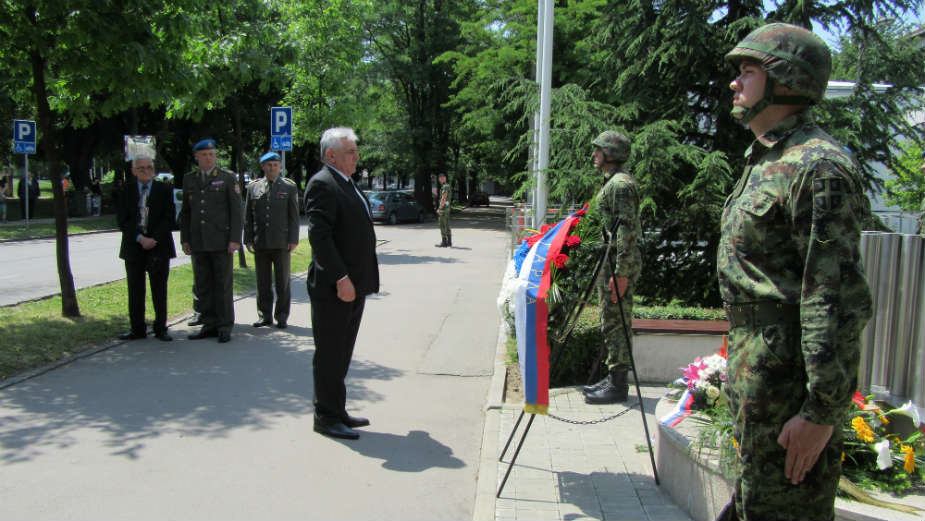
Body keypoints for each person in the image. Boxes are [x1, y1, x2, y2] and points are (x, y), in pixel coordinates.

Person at [718, 23, 873, 521]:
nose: (734, 84)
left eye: (747, 71)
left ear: (785, 78)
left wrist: (820, 412)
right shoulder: (767, 160)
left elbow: (834, 297)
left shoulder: (817, 167)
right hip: (758, 375)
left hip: (787, 387)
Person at [304, 127, 379, 440]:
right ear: (330, 155)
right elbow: (320, 238)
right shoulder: (322, 184)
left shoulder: (346, 183)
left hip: (354, 286)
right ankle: (326, 416)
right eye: (351, 152)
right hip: (336, 287)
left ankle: (337, 410)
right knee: (330, 354)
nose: (357, 157)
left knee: (342, 352)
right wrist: (341, 278)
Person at [581, 130, 642, 405]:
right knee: (609, 319)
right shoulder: (612, 183)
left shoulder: (621, 186)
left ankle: (619, 385)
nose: (595, 154)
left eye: (599, 150)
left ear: (611, 153)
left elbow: (627, 232)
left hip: (619, 262)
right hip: (611, 259)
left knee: (617, 321)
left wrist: (621, 274)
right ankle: (612, 375)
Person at [180, 139, 243, 344]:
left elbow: (236, 212)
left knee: (223, 284)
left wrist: (235, 239)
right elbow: (186, 213)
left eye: (211, 154)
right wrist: (185, 239)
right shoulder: (190, 179)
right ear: (196, 157)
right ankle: (208, 324)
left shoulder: (226, 178)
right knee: (203, 284)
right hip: (199, 241)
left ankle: (224, 325)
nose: (208, 158)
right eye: (204, 154)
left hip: (221, 240)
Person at [116, 155, 177, 342]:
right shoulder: (125, 190)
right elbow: (123, 220)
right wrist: (139, 238)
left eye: (149, 167)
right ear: (134, 171)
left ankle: (161, 328)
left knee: (159, 289)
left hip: (158, 247)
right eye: (141, 168)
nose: (146, 171)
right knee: (135, 289)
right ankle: (137, 329)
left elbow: (169, 218)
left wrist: (153, 238)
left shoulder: (164, 189)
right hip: (134, 246)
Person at [245, 152, 300, 329]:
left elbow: (294, 217)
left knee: (282, 282)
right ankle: (264, 315)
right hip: (260, 242)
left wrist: (293, 239)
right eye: (268, 165)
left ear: (280, 167)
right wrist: (248, 239)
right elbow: (248, 216)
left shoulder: (289, 187)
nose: (272, 168)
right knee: (262, 282)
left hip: (281, 242)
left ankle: (282, 316)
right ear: (262, 167)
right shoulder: (253, 187)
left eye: (275, 165)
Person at [435, 173, 452, 247]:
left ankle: (444, 242)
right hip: (447, 208)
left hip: (444, 208)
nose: (440, 179)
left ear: (444, 178)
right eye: (440, 178)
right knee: (447, 224)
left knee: (442, 224)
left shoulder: (445, 186)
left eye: (441, 178)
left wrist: (439, 208)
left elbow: (444, 198)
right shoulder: (447, 186)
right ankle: (449, 242)